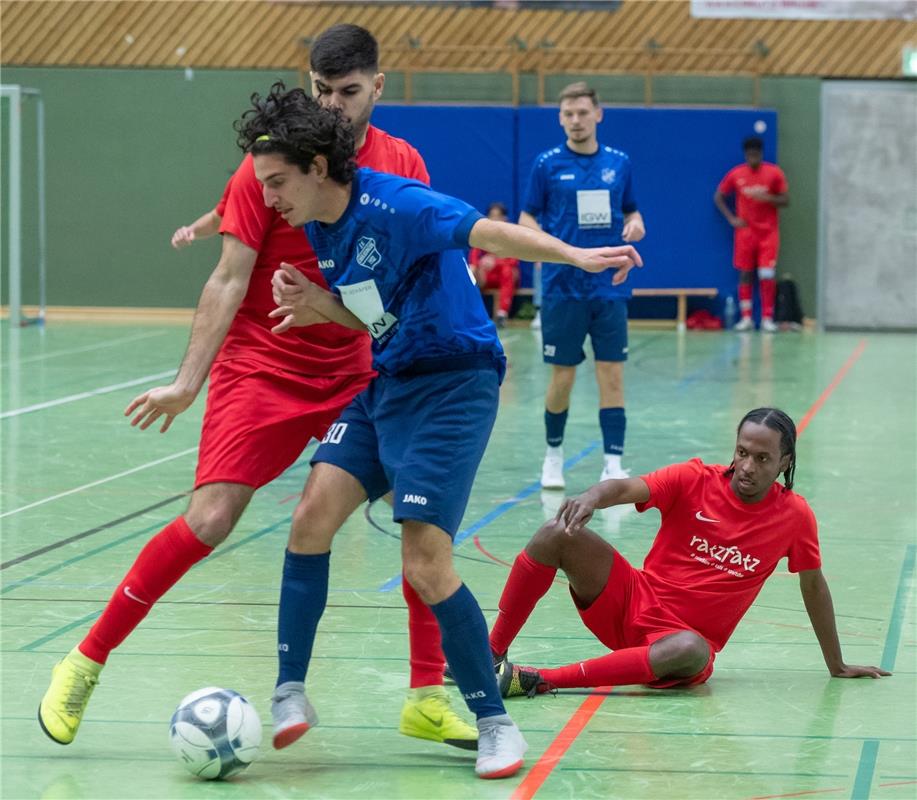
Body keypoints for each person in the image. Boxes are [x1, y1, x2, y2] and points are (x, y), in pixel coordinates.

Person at [38, 24, 475, 754]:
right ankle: (84, 661)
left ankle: (426, 695)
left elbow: (402, 281)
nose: (333, 107)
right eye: (320, 91)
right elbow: (227, 276)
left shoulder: (401, 162)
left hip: (358, 363)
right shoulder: (266, 165)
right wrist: (187, 383)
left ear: (378, 87)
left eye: (348, 92)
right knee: (209, 517)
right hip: (263, 364)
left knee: (419, 517)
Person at [239, 84, 642, 778]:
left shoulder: (397, 205)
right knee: (309, 519)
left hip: (455, 384)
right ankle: (289, 689)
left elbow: (487, 234)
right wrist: (319, 307)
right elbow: (375, 316)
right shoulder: (319, 228)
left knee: (424, 564)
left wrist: (575, 257)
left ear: (316, 166)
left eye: (277, 182)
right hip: (391, 380)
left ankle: (494, 720)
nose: (269, 198)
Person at [484, 407, 891, 698]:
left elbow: (813, 586)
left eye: (763, 458)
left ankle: (537, 680)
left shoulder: (795, 517)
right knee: (557, 532)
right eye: (742, 452)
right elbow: (627, 488)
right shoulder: (694, 479)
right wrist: (592, 496)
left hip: (680, 647)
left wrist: (836, 664)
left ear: (785, 462)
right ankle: (489, 653)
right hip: (630, 602)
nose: (747, 466)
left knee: (693, 649)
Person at [519, 82, 646, 491]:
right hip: (562, 287)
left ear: (598, 114)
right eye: (568, 114)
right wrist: (548, 247)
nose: (576, 120)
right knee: (563, 377)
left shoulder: (620, 163)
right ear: (560, 118)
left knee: (612, 375)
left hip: (608, 288)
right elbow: (526, 220)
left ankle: (613, 463)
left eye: (582, 113)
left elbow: (631, 210)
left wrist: (637, 223)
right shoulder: (547, 164)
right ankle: (553, 456)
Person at [714, 136, 789, 333]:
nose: (752, 158)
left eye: (756, 155)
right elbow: (719, 196)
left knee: (766, 274)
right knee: (745, 273)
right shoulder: (736, 174)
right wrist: (732, 218)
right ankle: (746, 318)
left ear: (761, 154)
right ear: (745, 155)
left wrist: (768, 198)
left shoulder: (774, 173)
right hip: (745, 233)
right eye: (749, 155)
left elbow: (786, 199)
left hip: (768, 233)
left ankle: (766, 318)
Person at [469, 202, 520, 327]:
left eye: (498, 216)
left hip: (505, 277)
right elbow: (474, 257)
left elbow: (513, 260)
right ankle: (471, 316)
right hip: (487, 277)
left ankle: (501, 314)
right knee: (472, 273)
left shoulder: (511, 236)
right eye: (492, 216)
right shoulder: (482, 235)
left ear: (505, 219)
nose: (495, 219)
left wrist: (495, 260)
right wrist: (478, 266)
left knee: (507, 270)